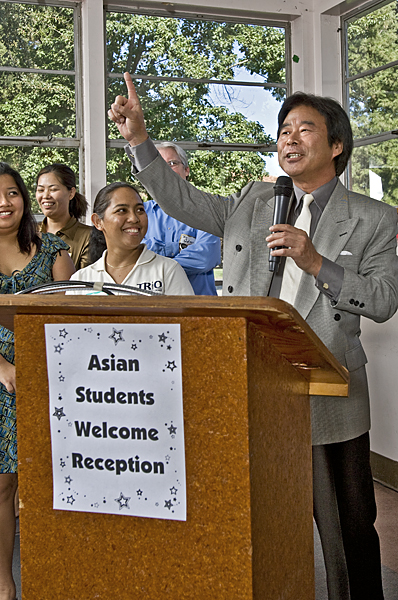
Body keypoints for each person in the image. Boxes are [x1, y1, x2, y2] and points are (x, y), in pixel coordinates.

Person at [108, 72, 398, 600]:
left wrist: (315, 261)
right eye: (284, 129)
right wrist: (138, 141)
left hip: (327, 392)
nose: (289, 138)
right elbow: (181, 199)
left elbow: (381, 300)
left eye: (304, 129)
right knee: (258, 522)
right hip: (251, 386)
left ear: (336, 145)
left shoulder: (374, 219)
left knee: (347, 529)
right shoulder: (253, 201)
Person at [0, 162, 75, 600]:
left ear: (23, 199)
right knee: (3, 484)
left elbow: (69, 317)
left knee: (51, 479)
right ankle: (5, 582)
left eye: (11, 193)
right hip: (1, 379)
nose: (4, 203)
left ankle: (55, 576)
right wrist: (3, 368)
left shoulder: (54, 249)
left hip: (48, 376)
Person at [69, 181, 193, 296]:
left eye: (140, 210)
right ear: (98, 222)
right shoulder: (81, 280)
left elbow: (187, 319)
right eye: (122, 210)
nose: (134, 218)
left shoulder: (167, 271)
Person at [136, 141, 220, 295]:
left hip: (200, 309)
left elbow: (206, 257)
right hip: (153, 309)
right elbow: (133, 257)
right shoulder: (139, 213)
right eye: (159, 164)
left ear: (186, 170)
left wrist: (155, 261)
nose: (165, 170)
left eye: (172, 163)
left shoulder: (207, 210)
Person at [36, 163, 92, 270]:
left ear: (71, 193)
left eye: (53, 189)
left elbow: (86, 283)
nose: (46, 196)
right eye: (41, 190)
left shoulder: (90, 237)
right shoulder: (29, 233)